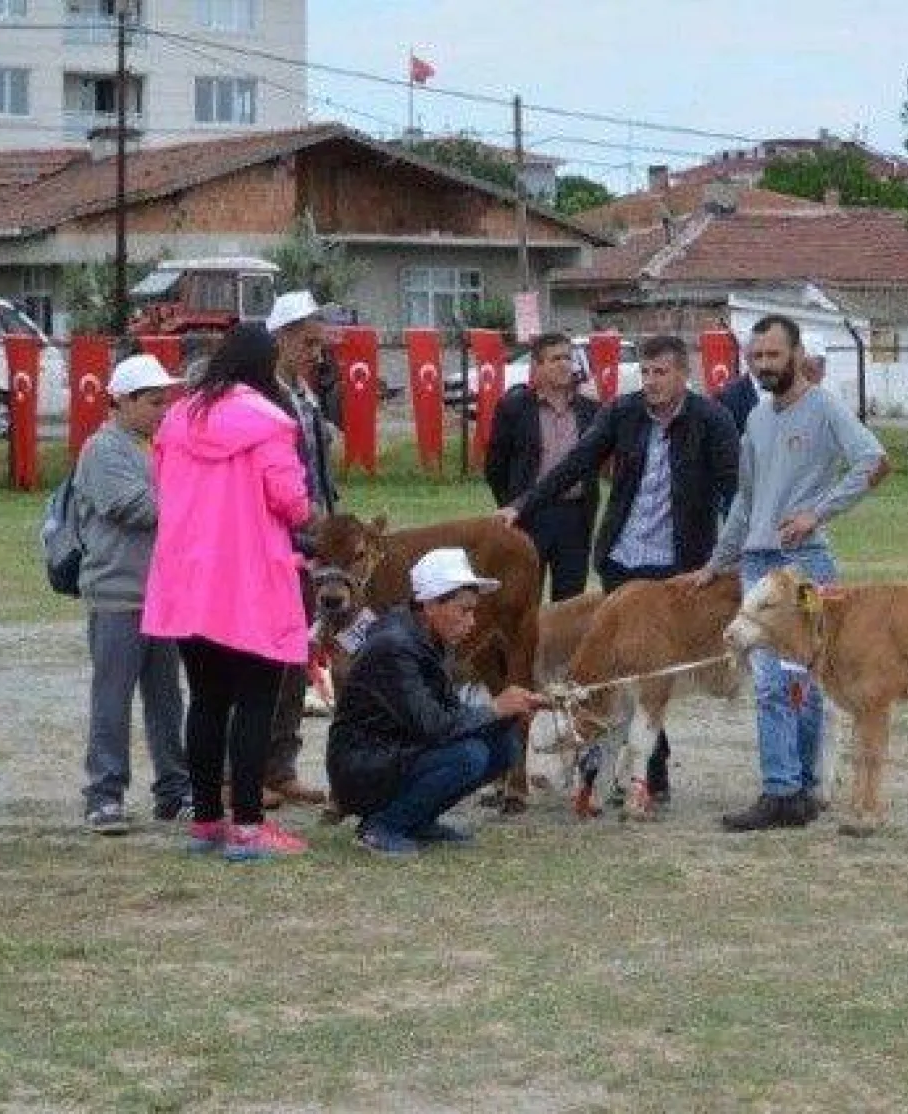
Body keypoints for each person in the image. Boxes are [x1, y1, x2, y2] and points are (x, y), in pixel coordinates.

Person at [498, 334, 740, 801]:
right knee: (619, 669)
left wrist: (726, 557)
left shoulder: (712, 419)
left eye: (661, 372)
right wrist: (523, 506)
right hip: (622, 558)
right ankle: (612, 771)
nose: (650, 382)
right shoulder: (622, 412)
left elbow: (734, 491)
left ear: (683, 375)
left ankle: (651, 776)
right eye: (645, 373)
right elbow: (575, 464)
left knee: (654, 669)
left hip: (678, 566)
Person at [689, 313, 886, 831]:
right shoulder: (754, 418)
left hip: (805, 564)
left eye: (773, 356)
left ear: (796, 355)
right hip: (757, 562)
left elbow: (874, 462)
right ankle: (787, 789)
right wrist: (717, 562)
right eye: (755, 357)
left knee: (798, 683)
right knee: (773, 683)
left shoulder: (824, 407)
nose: (763, 366)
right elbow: (746, 500)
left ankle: (793, 790)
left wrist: (816, 513)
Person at [142, 323, 315, 860]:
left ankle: (207, 822)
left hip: (188, 580)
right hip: (249, 579)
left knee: (207, 701)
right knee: (256, 703)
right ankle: (248, 826)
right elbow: (291, 501)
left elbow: (162, 482)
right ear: (263, 368)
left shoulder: (177, 418)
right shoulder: (269, 422)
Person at [327, 548, 548, 857]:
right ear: (430, 605)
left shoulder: (429, 638)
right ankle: (382, 827)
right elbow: (434, 725)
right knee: (469, 755)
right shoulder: (395, 646)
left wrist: (512, 711)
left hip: (393, 754)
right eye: (464, 610)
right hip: (362, 768)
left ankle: (416, 820)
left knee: (504, 744)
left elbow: (448, 714)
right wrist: (496, 708)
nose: (472, 621)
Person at [73, 354, 189, 835]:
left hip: (162, 595)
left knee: (167, 700)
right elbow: (134, 508)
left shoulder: (155, 446)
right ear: (122, 401)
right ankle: (104, 794)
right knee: (112, 700)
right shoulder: (102, 449)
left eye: (166, 401)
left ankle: (173, 789)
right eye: (154, 401)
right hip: (118, 594)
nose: (164, 410)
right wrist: (190, 492)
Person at [263, 288, 337, 807]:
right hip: (276, 543)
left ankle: (281, 765)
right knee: (262, 663)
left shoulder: (306, 394)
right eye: (308, 343)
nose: (317, 354)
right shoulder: (264, 396)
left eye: (320, 344)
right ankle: (245, 767)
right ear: (283, 338)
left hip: (313, 539)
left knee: (298, 658)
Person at [485, 331, 600, 601]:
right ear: (537, 367)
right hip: (529, 516)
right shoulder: (514, 408)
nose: (564, 365)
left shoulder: (591, 410)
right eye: (554, 359)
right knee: (524, 598)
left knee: (570, 600)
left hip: (575, 516)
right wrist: (512, 504)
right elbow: (495, 466)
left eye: (568, 358)